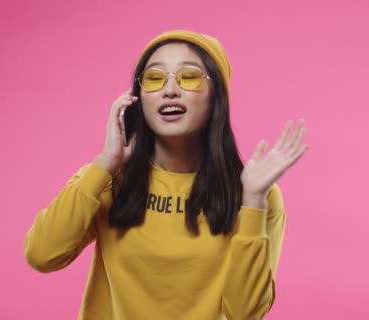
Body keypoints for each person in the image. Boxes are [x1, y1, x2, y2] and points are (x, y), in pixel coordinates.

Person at [24, 30, 308, 320]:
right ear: (138, 97)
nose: (170, 90)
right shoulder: (106, 180)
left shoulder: (257, 196)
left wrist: (253, 201)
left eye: (189, 77)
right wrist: (104, 163)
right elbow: (42, 255)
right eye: (155, 78)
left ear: (216, 97)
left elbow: (246, 313)